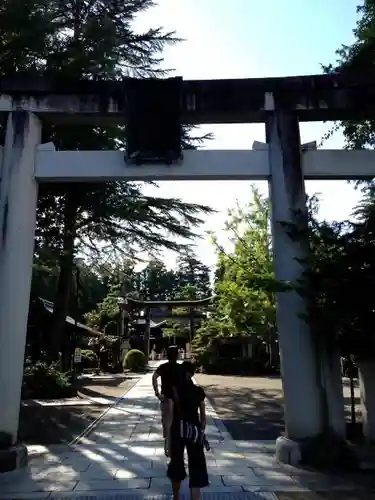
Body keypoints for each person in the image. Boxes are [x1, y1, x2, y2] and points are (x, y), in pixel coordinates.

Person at [164, 361, 209, 500]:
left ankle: (176, 495)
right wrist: (200, 430)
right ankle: (195, 497)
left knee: (176, 463)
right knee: (196, 464)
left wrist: (167, 438)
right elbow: (203, 417)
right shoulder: (198, 391)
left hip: (177, 430)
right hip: (194, 430)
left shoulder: (173, 391)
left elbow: (169, 417)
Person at [152, 345, 183, 437]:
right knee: (179, 418)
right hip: (179, 397)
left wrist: (157, 393)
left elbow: (154, 377)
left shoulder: (163, 367)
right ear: (177, 355)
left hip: (165, 396)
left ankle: (167, 440)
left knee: (165, 419)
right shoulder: (181, 368)